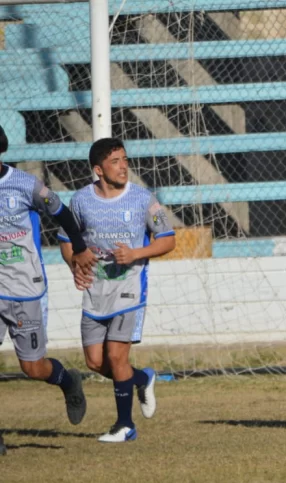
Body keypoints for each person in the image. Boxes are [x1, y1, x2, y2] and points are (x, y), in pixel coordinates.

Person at [59, 137, 176, 442]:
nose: (123, 166)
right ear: (98, 169)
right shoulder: (80, 200)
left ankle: (125, 426)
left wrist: (136, 254)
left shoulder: (143, 198)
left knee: (117, 356)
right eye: (115, 161)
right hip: (95, 290)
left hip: (130, 287)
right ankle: (142, 378)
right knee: (96, 362)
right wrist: (76, 263)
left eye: (125, 159)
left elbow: (168, 238)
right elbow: (66, 239)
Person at [0, 124, 97, 453]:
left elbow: (62, 212)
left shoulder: (26, 186)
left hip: (25, 290)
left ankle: (68, 381)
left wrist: (81, 249)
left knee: (33, 367)